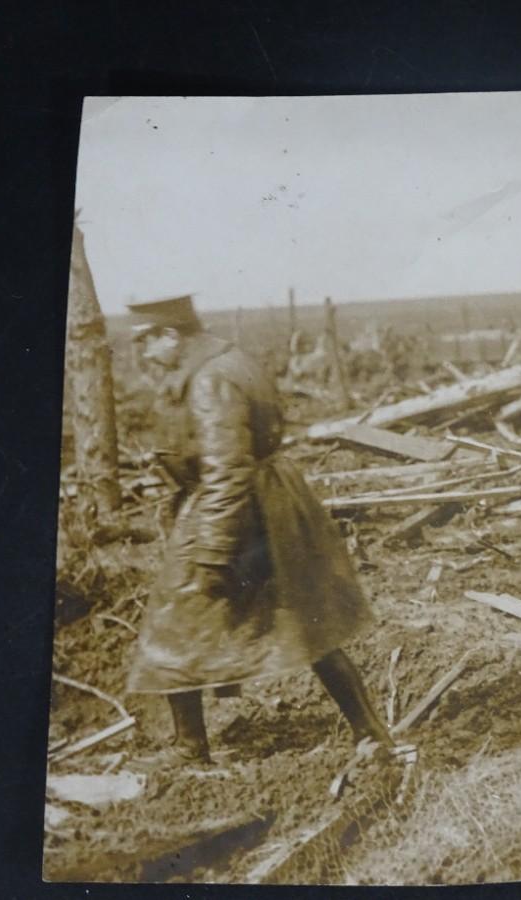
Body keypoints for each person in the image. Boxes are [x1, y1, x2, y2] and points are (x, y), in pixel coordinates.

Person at [124, 295, 395, 765]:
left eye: (147, 342)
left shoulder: (209, 379)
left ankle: (190, 747)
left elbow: (227, 471)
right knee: (308, 621)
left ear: (170, 335)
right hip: (275, 506)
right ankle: (369, 731)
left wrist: (211, 551)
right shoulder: (230, 358)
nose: (145, 354)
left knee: (171, 625)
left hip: (232, 508)